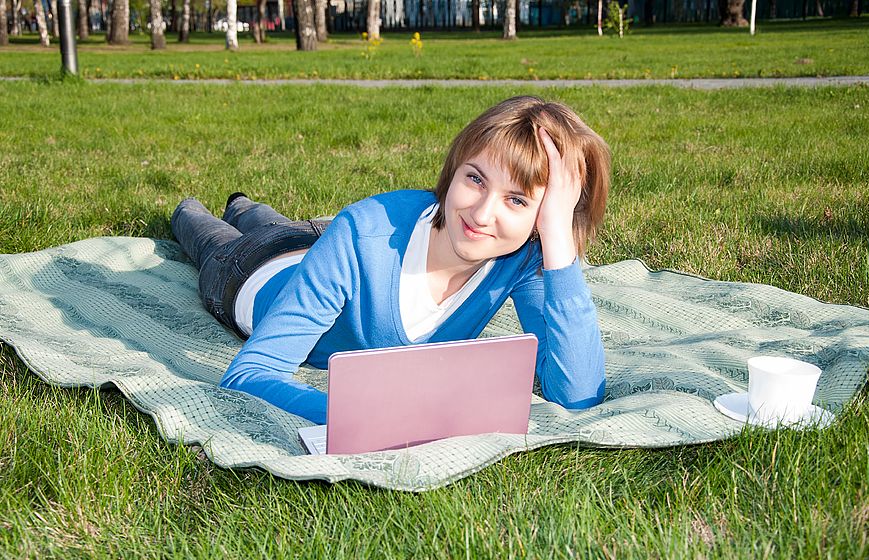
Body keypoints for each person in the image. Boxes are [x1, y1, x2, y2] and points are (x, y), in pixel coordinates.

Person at [171, 96, 611, 425]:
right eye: (475, 179)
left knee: (265, 218)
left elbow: (577, 394)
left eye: (516, 200)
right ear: (455, 168)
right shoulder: (361, 234)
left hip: (324, 247)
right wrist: (365, 417)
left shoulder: (522, 254)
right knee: (206, 233)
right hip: (253, 272)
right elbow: (250, 373)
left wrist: (557, 238)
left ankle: (246, 205)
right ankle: (200, 207)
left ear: (543, 216)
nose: (482, 214)